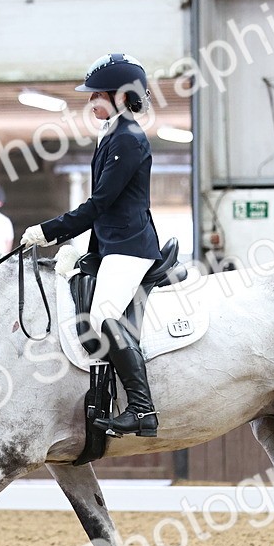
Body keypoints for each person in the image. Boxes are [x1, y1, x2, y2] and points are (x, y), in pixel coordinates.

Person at [20, 52, 162, 438]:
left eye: (95, 94)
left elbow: (100, 203)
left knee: (103, 318)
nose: (90, 101)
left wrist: (51, 231)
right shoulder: (113, 133)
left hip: (130, 245)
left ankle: (141, 409)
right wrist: (83, 245)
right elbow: (105, 207)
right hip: (110, 241)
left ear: (119, 96)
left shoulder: (128, 139)